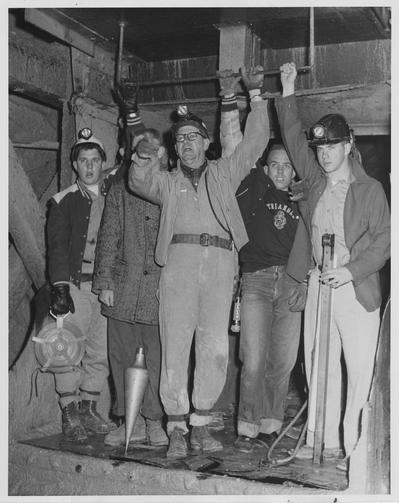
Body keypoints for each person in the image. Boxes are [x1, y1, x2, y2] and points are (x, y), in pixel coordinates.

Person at [128, 66, 269, 459]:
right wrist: (141, 153)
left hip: (222, 264)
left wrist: (254, 95)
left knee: (214, 346)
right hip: (179, 266)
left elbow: (255, 143)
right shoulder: (167, 181)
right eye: (181, 139)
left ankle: (202, 423)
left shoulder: (224, 172)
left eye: (194, 137)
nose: (187, 143)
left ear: (207, 142)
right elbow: (138, 181)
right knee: (175, 343)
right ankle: (176, 426)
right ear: (174, 149)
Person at [276, 62, 390, 471]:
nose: (324, 155)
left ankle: (354, 449)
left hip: (355, 290)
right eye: (320, 149)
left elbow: (385, 240)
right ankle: (318, 441)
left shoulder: (370, 189)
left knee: (360, 372)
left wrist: (352, 269)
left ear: (349, 145)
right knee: (319, 367)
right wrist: (287, 90)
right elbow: (291, 137)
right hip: (318, 284)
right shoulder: (314, 179)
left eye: (331, 147)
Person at [92, 94, 169, 447]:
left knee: (157, 358)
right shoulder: (120, 190)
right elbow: (108, 235)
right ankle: (129, 421)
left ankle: (154, 420)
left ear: (162, 157)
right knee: (121, 356)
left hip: (158, 293)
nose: (145, 158)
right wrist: (104, 280)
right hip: (122, 289)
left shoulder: (173, 188)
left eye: (152, 153)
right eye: (140, 152)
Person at [230, 141, 311, 453]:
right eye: (275, 164)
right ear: (265, 168)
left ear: (294, 171)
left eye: (287, 165)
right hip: (257, 281)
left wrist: (303, 282)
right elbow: (243, 148)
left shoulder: (302, 200)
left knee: (282, 361)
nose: (281, 170)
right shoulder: (254, 190)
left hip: (291, 282)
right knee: (253, 359)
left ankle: (270, 426)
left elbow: (314, 242)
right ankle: (246, 428)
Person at [46, 127, 116, 441]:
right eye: (83, 160)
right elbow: (57, 247)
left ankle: (89, 408)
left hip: (103, 288)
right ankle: (69, 412)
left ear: (103, 163)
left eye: (95, 160)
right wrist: (60, 287)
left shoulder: (113, 200)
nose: (89, 166)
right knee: (67, 349)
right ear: (75, 165)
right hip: (74, 286)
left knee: (99, 352)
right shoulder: (63, 201)